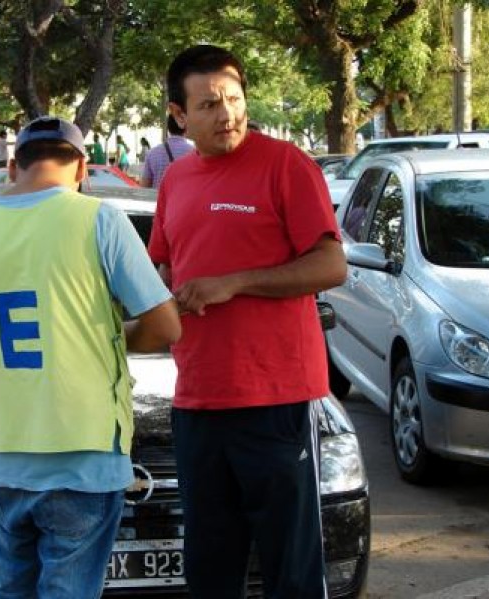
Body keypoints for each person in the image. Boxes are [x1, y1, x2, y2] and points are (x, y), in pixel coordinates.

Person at [0, 115, 182, 597]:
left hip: (6, 451)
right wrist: (95, 335)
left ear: (13, 166)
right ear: (82, 168)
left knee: (10, 587)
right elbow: (166, 327)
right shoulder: (98, 219)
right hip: (85, 451)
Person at [148, 44, 347, 598]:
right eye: (208, 104)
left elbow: (331, 266)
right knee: (211, 565)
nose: (227, 114)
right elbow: (163, 267)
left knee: (291, 569)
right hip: (198, 400)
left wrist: (234, 281)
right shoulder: (177, 179)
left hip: (275, 399)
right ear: (179, 115)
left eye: (234, 98)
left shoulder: (286, 164)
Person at [140, 114, 194, 189]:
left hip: (158, 199)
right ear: (185, 127)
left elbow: (144, 187)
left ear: (168, 128)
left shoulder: (152, 153)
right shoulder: (195, 153)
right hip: (185, 199)